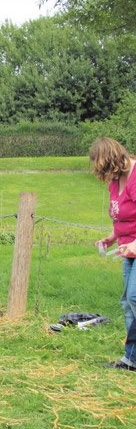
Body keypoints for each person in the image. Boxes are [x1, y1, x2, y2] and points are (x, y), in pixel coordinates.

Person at [90, 137, 136, 372]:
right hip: (128, 248)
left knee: (135, 297)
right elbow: (122, 216)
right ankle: (131, 359)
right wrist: (112, 238)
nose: (106, 177)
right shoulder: (115, 181)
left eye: (106, 170)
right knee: (127, 303)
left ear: (113, 162)